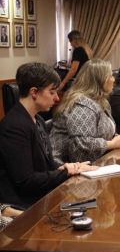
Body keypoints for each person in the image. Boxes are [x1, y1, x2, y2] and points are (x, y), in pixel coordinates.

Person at [0, 62, 98, 209]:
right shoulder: (14, 126)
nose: (57, 98)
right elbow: (26, 181)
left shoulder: (38, 120)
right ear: (34, 92)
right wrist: (67, 173)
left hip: (41, 195)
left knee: (91, 204)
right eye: (52, 92)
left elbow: (47, 164)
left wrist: (70, 166)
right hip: (24, 204)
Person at [50, 59, 120, 163]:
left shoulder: (101, 101)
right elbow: (82, 142)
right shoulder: (82, 104)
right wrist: (112, 144)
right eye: (110, 76)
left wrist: (114, 138)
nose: (114, 79)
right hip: (66, 168)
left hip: (95, 164)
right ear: (100, 80)